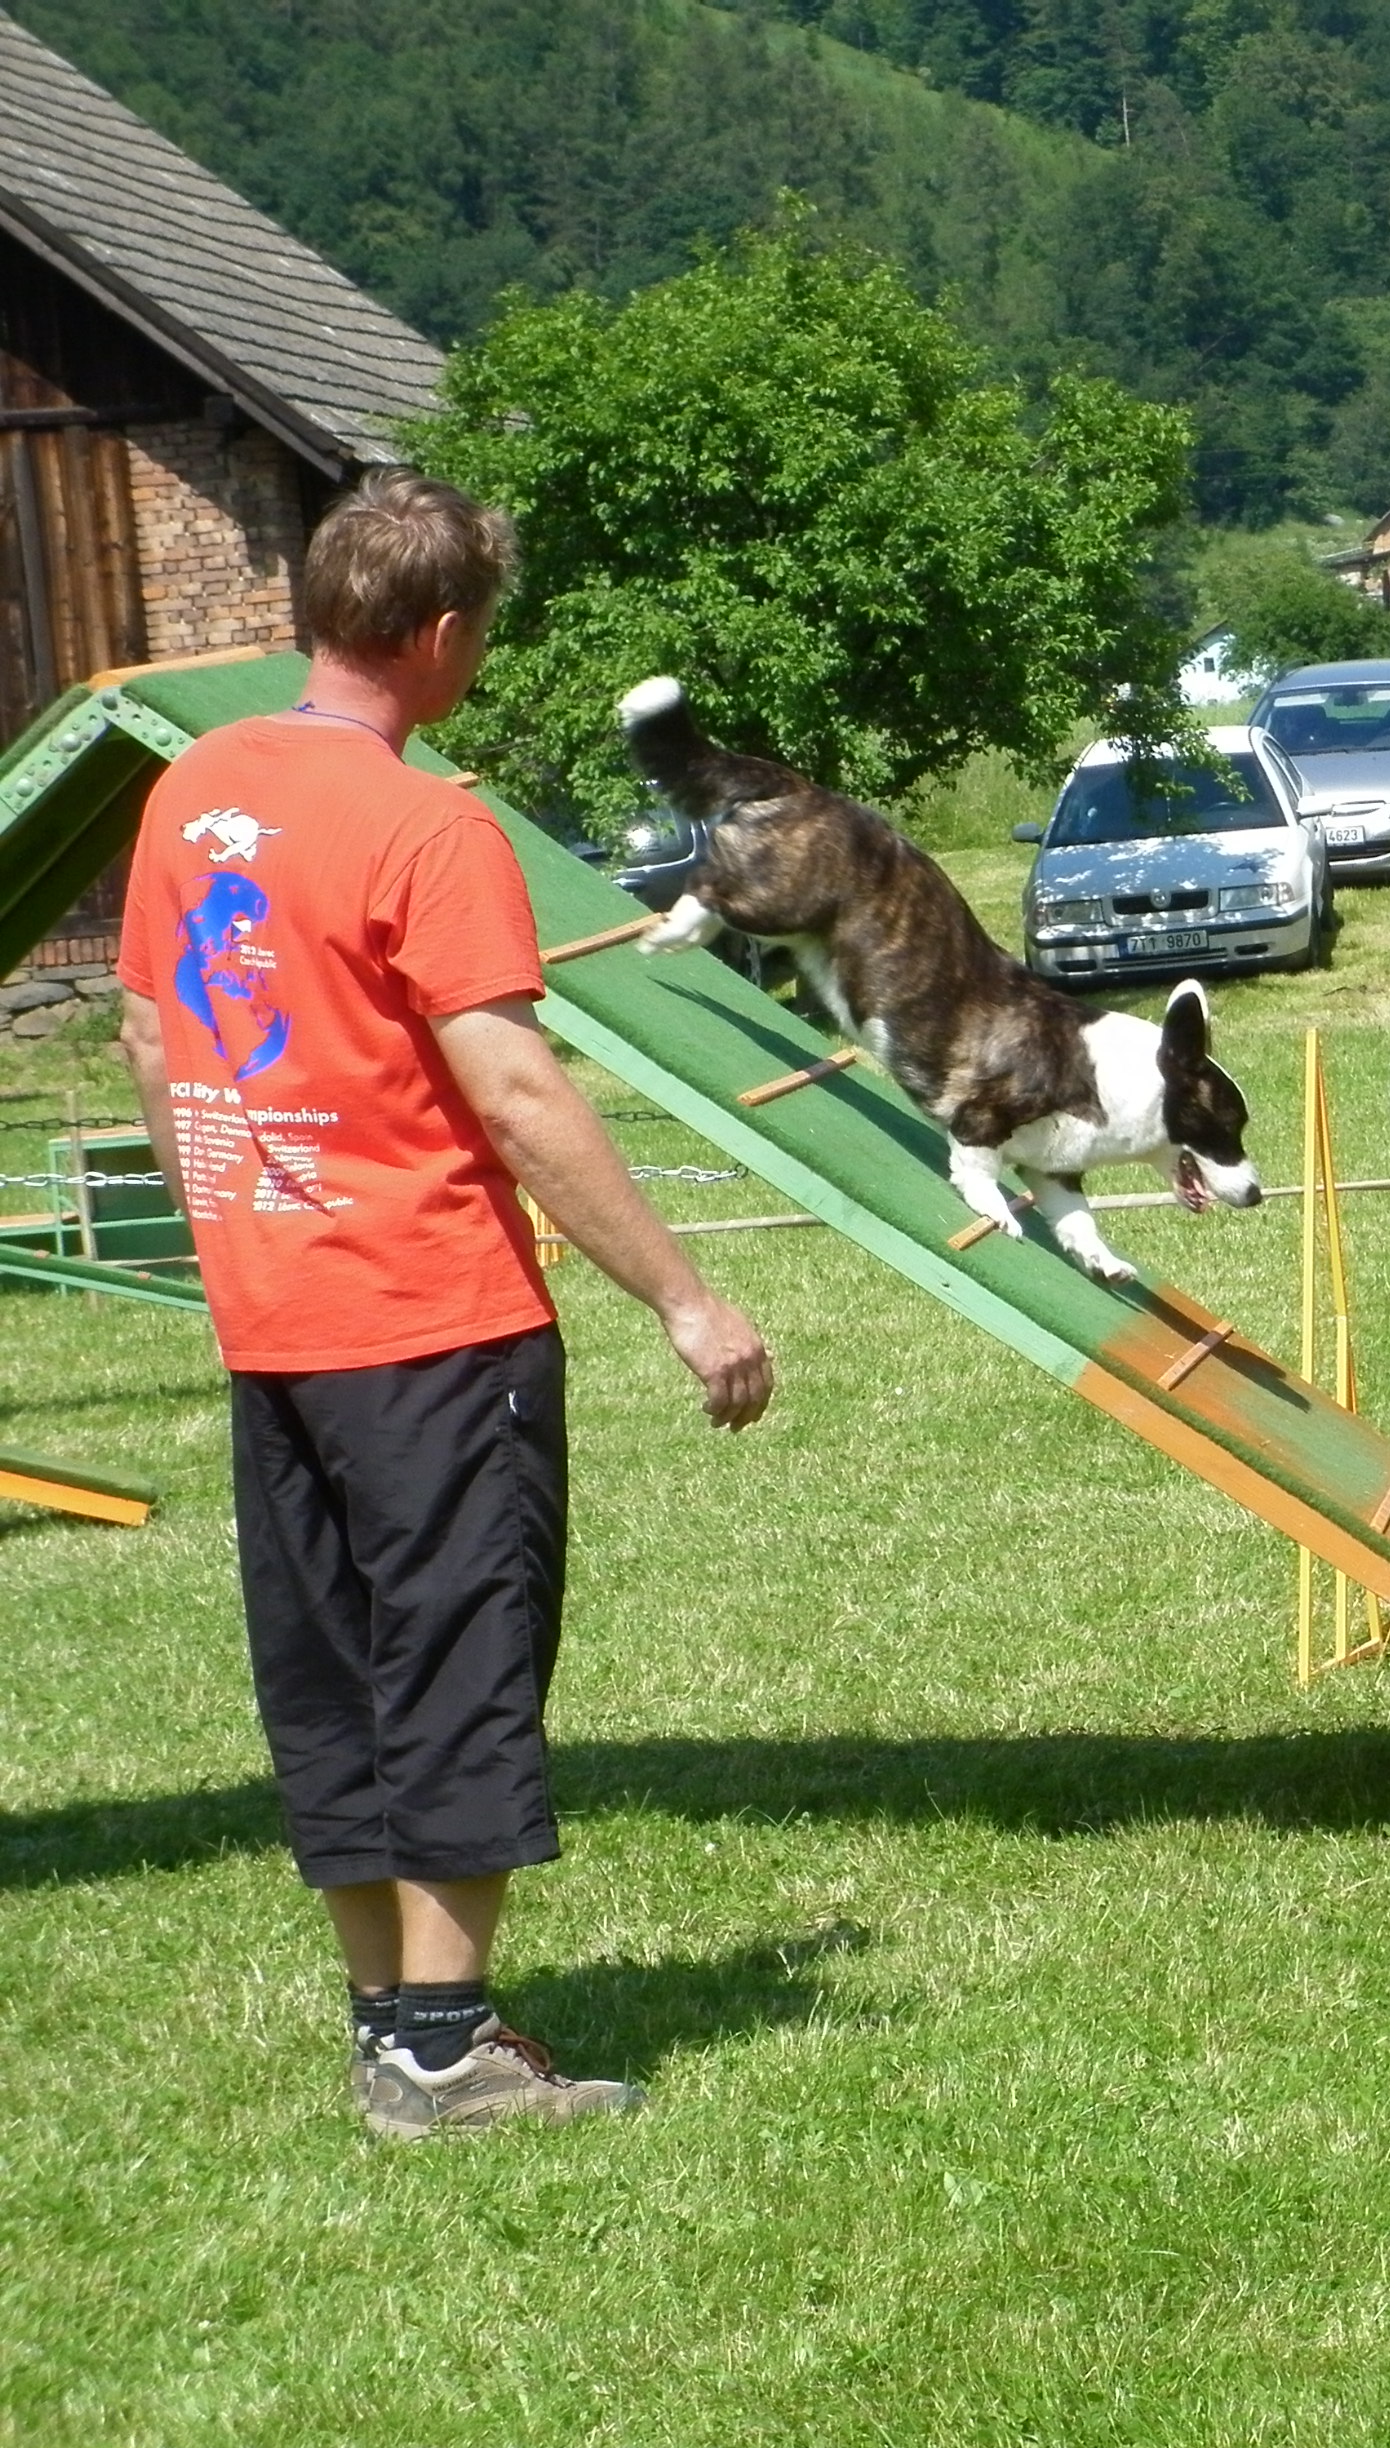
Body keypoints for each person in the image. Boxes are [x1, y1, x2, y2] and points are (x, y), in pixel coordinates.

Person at [115, 469, 775, 2140]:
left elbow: (147, 1033)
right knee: (463, 1660)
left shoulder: (195, 786)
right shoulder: (426, 821)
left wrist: (241, 1217)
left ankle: (385, 2023)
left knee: (329, 1670)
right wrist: (688, 1299)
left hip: (275, 1324)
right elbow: (517, 1088)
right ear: (441, 635)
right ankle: (443, 2050)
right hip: (432, 1318)